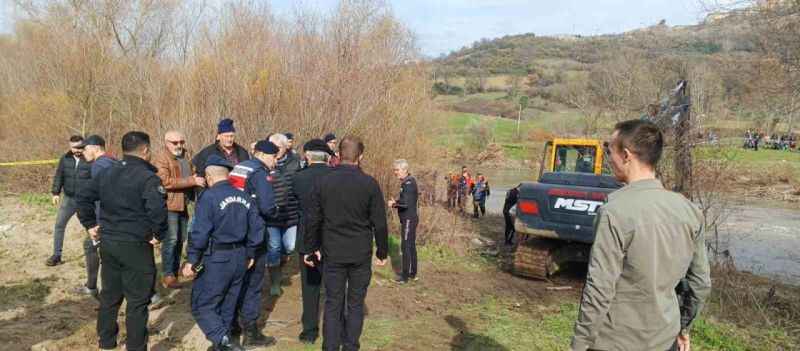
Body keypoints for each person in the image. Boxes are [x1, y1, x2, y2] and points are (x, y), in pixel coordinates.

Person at [571, 120, 711, 351]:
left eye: (610, 152)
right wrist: (684, 328)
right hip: (665, 340)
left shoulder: (615, 211)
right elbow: (700, 283)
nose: (609, 160)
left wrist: (579, 344)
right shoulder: (690, 210)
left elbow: (599, 288)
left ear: (626, 155)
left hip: (616, 342)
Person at [75, 131, 168, 351]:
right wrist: (158, 234)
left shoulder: (107, 172)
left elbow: (82, 198)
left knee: (110, 296)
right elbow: (157, 211)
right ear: (145, 151)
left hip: (109, 243)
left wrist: (90, 224)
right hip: (135, 244)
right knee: (137, 301)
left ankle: (106, 343)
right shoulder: (147, 178)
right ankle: (136, 346)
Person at [304, 136, 389, 351]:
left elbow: (312, 218)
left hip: (333, 251)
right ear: (360, 157)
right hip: (359, 252)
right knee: (355, 303)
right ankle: (350, 346)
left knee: (333, 303)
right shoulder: (369, 184)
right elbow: (379, 222)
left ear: (339, 155)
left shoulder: (323, 181)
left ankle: (331, 347)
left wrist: (310, 248)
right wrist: (382, 251)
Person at [182, 155, 266, 351]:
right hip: (240, 257)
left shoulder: (208, 197)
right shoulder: (245, 196)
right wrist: (251, 253)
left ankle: (223, 341)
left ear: (209, 178)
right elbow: (257, 228)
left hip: (217, 258)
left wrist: (191, 260)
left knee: (202, 304)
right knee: (228, 303)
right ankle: (222, 344)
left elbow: (200, 232)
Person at [227, 140, 279, 347]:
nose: (275, 161)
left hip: (232, 232)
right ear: (265, 155)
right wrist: (275, 212)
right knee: (253, 284)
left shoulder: (240, 167)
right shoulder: (259, 173)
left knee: (234, 281)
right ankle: (251, 331)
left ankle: (232, 326)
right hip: (253, 233)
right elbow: (267, 207)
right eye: (275, 157)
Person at [292, 139, 335, 344]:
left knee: (309, 286)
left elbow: (290, 205)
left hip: (306, 236)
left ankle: (309, 331)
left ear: (308, 157)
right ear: (327, 157)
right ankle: (334, 328)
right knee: (334, 285)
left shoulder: (298, 178)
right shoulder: (336, 176)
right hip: (333, 237)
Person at [153, 130, 205, 289]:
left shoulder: (186, 156)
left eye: (182, 142)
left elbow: (195, 173)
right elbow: (165, 182)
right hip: (169, 205)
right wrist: (192, 180)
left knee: (181, 239)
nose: (179, 145)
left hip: (184, 204)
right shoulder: (161, 158)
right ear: (167, 142)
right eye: (175, 143)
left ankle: (175, 272)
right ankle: (168, 275)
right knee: (171, 239)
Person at [75, 135, 118, 297]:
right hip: (114, 218)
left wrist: (95, 223)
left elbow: (106, 195)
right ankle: (92, 287)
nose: (82, 152)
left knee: (113, 257)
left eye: (85, 148)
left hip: (106, 220)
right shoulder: (113, 161)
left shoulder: (100, 165)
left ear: (96, 148)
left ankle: (151, 295)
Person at [264, 133, 302, 296]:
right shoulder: (265, 164)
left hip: (291, 214)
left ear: (286, 147)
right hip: (272, 216)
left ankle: (280, 262)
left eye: (278, 148)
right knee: (274, 247)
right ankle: (275, 282)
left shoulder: (296, 163)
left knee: (290, 246)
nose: (275, 151)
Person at [46, 135, 93, 266]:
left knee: (91, 228)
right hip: (69, 199)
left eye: (79, 147)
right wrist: (55, 192)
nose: (77, 150)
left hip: (86, 200)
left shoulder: (90, 158)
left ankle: (95, 255)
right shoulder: (65, 158)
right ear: (69, 146)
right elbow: (59, 175)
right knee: (59, 225)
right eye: (74, 147)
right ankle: (56, 255)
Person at [388, 159, 419, 284]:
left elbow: (405, 203)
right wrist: (397, 201)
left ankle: (405, 276)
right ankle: (412, 273)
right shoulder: (407, 182)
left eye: (397, 170)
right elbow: (406, 200)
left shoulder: (408, 183)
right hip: (409, 218)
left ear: (404, 170)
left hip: (409, 219)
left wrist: (394, 204)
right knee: (410, 245)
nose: (395, 172)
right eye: (394, 170)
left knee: (406, 246)